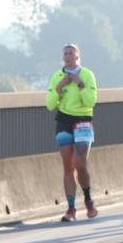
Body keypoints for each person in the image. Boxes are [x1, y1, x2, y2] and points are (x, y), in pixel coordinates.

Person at [46, 44, 99, 222]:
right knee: (67, 167)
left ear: (78, 56)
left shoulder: (87, 75)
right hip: (63, 122)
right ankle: (70, 208)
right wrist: (59, 87)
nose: (68, 56)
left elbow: (91, 101)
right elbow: (50, 104)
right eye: (65, 54)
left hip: (83, 121)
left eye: (71, 53)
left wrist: (79, 83)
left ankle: (88, 199)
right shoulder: (57, 76)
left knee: (80, 164)